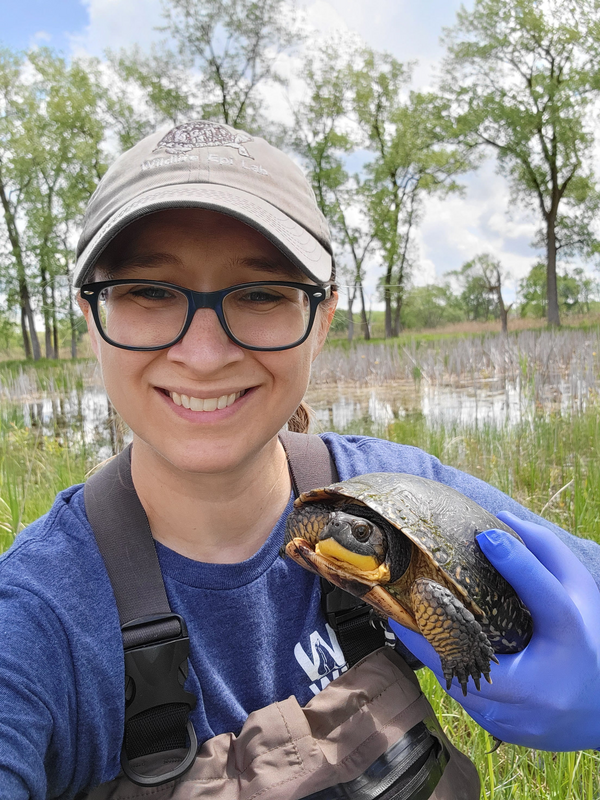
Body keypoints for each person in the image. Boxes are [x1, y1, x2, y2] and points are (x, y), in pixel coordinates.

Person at [0, 120, 599, 800]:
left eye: (260, 294)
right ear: (92, 316)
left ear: (322, 319)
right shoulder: (35, 618)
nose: (204, 355)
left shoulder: (404, 496)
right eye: (150, 291)